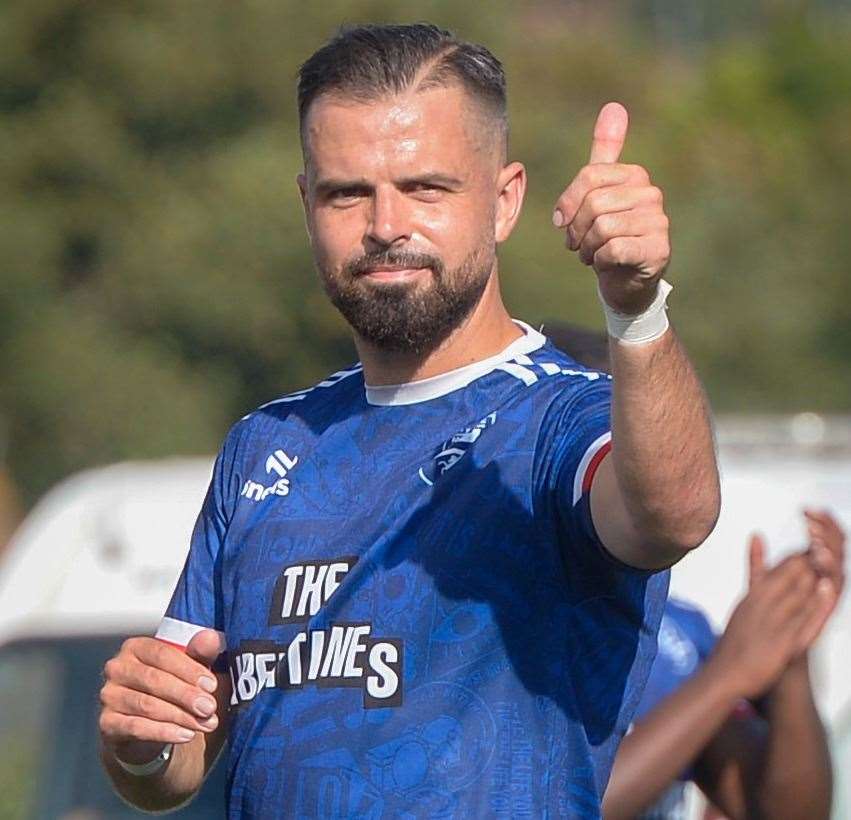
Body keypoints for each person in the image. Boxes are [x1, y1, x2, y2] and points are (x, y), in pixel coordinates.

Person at [98, 23, 721, 817]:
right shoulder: (267, 444)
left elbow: (674, 512)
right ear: (306, 205)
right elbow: (175, 760)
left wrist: (634, 310)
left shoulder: (560, 418)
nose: (384, 223)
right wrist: (138, 739)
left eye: (425, 187)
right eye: (346, 192)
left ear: (503, 201)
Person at [603, 509, 846, 820]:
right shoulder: (524, 628)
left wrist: (787, 651)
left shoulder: (676, 630)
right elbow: (557, 804)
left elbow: (790, 813)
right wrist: (725, 678)